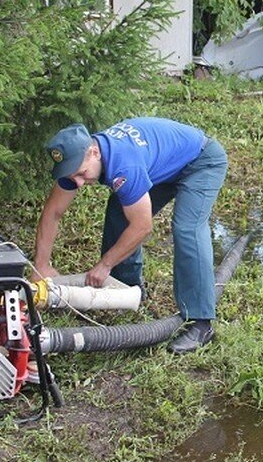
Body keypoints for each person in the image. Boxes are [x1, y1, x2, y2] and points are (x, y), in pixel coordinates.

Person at [32, 118, 228, 354]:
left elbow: (143, 226)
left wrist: (105, 264)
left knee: (187, 228)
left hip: (200, 161)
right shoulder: (76, 160)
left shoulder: (124, 165)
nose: (79, 183)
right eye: (73, 177)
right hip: (163, 164)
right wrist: (41, 265)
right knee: (120, 210)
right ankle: (127, 290)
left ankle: (201, 323)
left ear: (94, 152)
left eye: (82, 174)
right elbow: (53, 212)